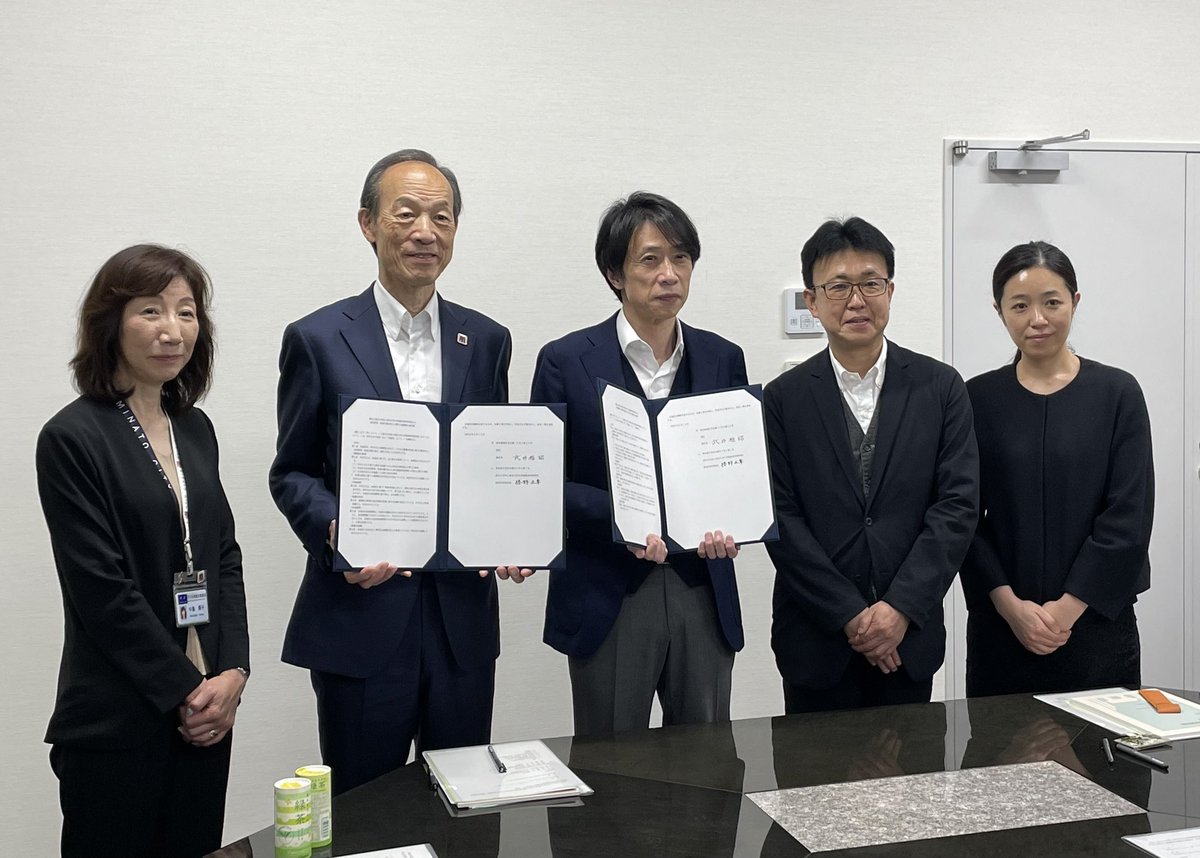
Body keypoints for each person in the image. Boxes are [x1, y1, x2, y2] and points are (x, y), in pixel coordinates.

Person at [270, 149, 519, 794]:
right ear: (368, 223)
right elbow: (292, 472)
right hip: (360, 614)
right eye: (405, 214)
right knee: (365, 811)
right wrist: (336, 532)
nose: (424, 232)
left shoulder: (487, 340)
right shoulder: (317, 338)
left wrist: (514, 534)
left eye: (442, 217)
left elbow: (493, 463)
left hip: (461, 620)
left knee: (467, 803)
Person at [36, 245, 249, 858]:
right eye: (150, 310)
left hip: (206, 717)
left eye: (186, 312)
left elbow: (223, 555)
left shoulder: (194, 428)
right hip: (119, 719)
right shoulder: (72, 437)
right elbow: (100, 592)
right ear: (111, 322)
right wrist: (187, 690)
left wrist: (233, 673)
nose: (172, 330)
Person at [526, 191, 746, 735]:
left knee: (707, 760)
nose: (669, 274)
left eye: (681, 258)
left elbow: (736, 468)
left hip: (702, 587)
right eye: (650, 259)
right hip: (608, 590)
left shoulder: (723, 357)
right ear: (615, 274)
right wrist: (622, 519)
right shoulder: (565, 360)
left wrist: (736, 519)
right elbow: (543, 481)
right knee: (610, 763)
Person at [764, 216, 978, 713]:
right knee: (811, 767)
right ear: (812, 300)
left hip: (909, 642)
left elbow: (957, 506)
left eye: (871, 283)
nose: (856, 300)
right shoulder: (782, 399)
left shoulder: (940, 388)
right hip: (816, 643)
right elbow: (780, 517)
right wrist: (851, 615)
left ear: (891, 290)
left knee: (915, 765)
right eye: (838, 286)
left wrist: (899, 608)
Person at [960, 241, 1153, 696]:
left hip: (1096, 626)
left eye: (1052, 302)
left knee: (1101, 743)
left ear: (1075, 302)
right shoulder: (976, 398)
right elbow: (962, 515)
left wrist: (1066, 611)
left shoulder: (1117, 393)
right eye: (1020, 306)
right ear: (999, 311)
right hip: (1002, 628)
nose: (1038, 319)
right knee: (999, 743)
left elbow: (1128, 516)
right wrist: (1009, 606)